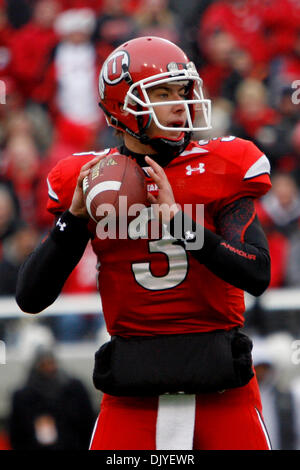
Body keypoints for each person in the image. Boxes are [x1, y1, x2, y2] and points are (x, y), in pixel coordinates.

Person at [16, 36, 272, 450]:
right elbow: (30, 297)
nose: (179, 104)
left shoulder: (224, 164)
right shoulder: (91, 177)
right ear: (122, 106)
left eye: (182, 91)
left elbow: (257, 273)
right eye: (162, 93)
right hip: (132, 393)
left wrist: (182, 226)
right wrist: (74, 219)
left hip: (224, 389)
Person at [8, 347, 96, 450]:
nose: (49, 368)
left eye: (50, 363)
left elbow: (87, 423)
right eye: (44, 364)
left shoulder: (74, 389)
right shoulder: (23, 397)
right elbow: (17, 433)